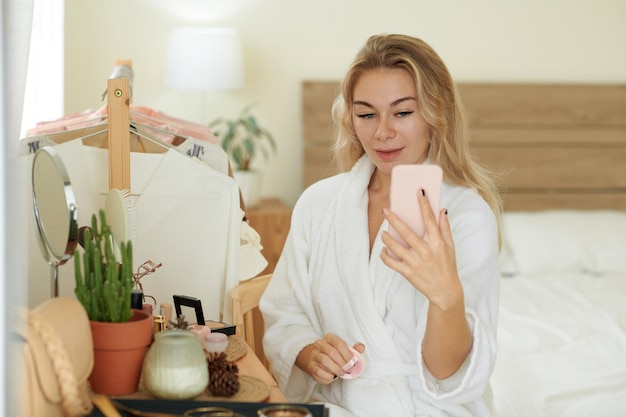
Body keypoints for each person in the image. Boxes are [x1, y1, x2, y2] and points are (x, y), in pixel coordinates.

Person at [259, 33, 502, 417]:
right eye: (366, 114)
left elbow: (448, 375)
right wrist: (308, 352)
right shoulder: (319, 204)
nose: (382, 132)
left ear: (436, 114)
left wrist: (446, 299)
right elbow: (284, 313)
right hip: (337, 406)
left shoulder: (468, 217)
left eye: (403, 112)